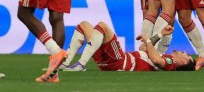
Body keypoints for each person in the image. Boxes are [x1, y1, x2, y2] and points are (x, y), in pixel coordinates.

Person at [60, 21, 195, 74]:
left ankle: (81, 65)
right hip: (112, 61)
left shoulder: (170, 63)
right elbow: (145, 49)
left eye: (186, 55)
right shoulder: (165, 58)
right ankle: (64, 64)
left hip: (121, 61)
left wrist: (148, 40)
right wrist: (160, 34)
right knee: (84, 26)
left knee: (102, 26)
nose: (184, 51)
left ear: (182, 62)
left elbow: (156, 60)